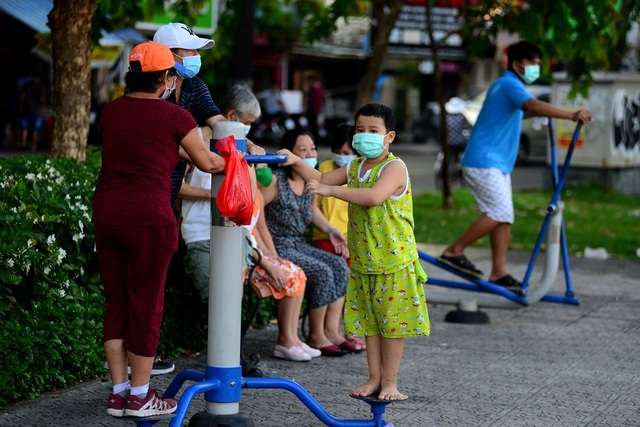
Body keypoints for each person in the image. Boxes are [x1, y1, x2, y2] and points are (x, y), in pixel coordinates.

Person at [93, 41, 226, 418]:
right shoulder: (176, 117)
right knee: (147, 305)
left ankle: (119, 394)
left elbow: (141, 146)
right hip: (151, 217)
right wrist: (235, 152)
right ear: (167, 77)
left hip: (108, 214)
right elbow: (209, 162)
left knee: (117, 302)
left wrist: (176, 150)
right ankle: (140, 396)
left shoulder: (112, 112)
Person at [276, 103, 430, 401]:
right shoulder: (356, 165)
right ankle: (374, 378)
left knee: (392, 326)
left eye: (374, 131)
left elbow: (372, 197)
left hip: (394, 262)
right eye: (360, 130)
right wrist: (295, 160)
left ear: (390, 137)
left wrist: (332, 191)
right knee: (371, 325)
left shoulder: (394, 167)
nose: (364, 136)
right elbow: (319, 177)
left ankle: (390, 382)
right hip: (364, 262)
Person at [438, 40, 592, 291]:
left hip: (495, 163)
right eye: (532, 64)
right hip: (485, 161)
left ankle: (499, 273)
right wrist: (570, 114)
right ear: (517, 64)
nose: (535, 68)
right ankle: (454, 251)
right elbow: (531, 104)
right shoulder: (509, 85)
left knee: (503, 218)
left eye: (538, 64)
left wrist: (539, 115)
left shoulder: (507, 87)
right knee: (499, 212)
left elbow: (521, 111)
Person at [262, 128, 350, 357]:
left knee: (339, 266)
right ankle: (316, 335)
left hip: (298, 243)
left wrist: (330, 230)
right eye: (303, 149)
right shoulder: (276, 182)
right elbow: (255, 212)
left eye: (312, 148)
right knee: (321, 271)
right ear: (288, 153)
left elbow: (311, 210)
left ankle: (330, 331)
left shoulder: (311, 179)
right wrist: (268, 252)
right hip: (279, 245)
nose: (310, 153)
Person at [312, 123, 365, 353]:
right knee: (340, 271)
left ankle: (347, 331)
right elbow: (315, 207)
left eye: (349, 154)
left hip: (351, 240)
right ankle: (331, 331)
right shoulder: (323, 169)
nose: (344, 158)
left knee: (356, 283)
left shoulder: (358, 173)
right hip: (326, 238)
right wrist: (332, 233)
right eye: (340, 152)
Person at [18, 73, 47, 152]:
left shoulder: (26, 86)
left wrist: (21, 107)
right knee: (35, 129)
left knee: (25, 128)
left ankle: (24, 143)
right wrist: (45, 106)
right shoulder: (40, 86)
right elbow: (42, 98)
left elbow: (22, 97)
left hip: (26, 110)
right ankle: (33, 145)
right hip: (36, 111)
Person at [305, 75, 325, 140]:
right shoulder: (315, 88)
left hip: (315, 110)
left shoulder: (316, 88)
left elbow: (316, 100)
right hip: (314, 110)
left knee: (315, 126)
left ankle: (316, 139)